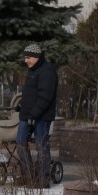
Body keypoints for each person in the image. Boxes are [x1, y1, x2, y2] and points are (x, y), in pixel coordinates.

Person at [16, 43, 58, 187]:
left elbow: (45, 97)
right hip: (27, 115)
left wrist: (34, 114)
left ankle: (42, 178)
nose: (25, 61)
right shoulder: (32, 71)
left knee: (41, 146)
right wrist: (22, 108)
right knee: (20, 143)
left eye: (28, 57)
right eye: (25, 57)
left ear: (36, 57)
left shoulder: (47, 71)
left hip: (42, 117)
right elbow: (31, 95)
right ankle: (27, 175)